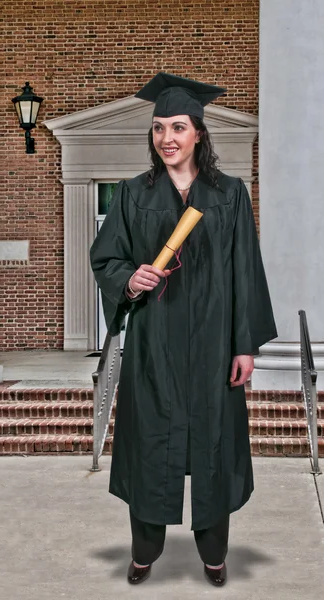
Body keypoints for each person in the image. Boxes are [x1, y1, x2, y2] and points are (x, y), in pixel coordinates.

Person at [90, 72, 277, 587]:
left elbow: (246, 271)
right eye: (157, 129)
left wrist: (245, 347)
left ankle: (214, 553)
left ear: (198, 132)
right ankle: (145, 550)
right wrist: (132, 279)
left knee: (214, 447)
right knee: (151, 443)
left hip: (215, 348)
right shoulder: (132, 195)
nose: (166, 138)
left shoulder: (230, 195)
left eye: (177, 127)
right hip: (155, 346)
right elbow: (105, 259)